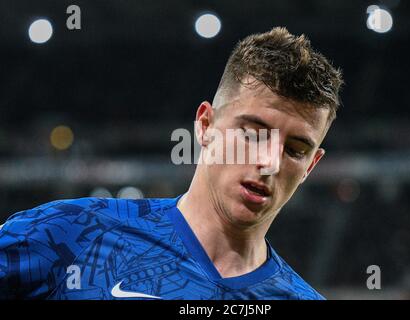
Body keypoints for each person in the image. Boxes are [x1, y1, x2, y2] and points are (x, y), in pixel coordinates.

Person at [0, 27, 343, 300]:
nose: (269, 162)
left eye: (295, 150)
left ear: (310, 166)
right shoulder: (71, 234)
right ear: (206, 126)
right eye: (253, 134)